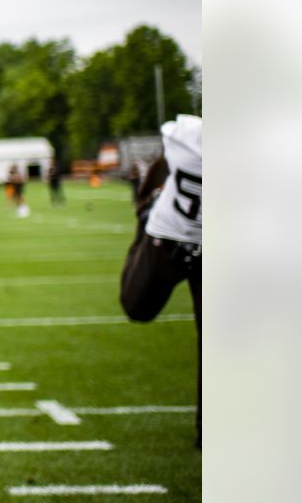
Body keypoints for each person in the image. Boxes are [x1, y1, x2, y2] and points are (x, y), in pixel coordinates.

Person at [120, 114, 202, 445]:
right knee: (137, 305)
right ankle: (147, 219)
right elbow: (164, 157)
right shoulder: (190, 134)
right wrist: (146, 203)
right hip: (168, 235)